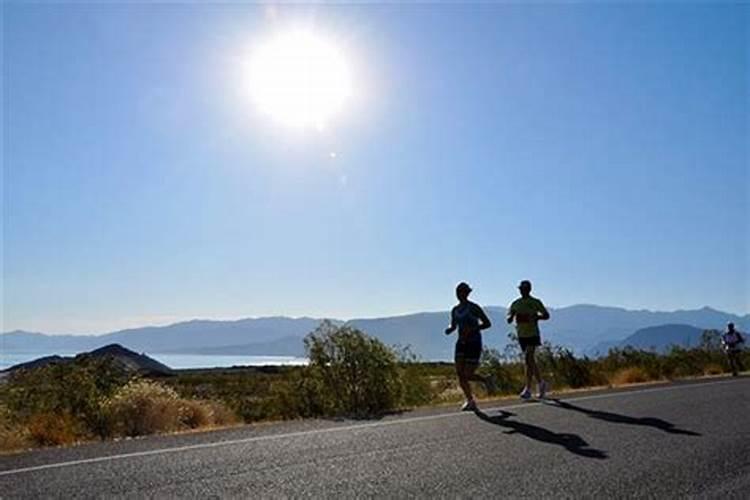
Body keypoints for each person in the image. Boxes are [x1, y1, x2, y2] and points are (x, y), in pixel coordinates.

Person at [445, 282, 495, 411]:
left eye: (462, 291)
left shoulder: (474, 308)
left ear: (467, 293)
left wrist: (473, 328)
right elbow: (453, 325)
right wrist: (450, 329)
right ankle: (470, 400)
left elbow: (487, 323)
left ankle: (485, 380)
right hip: (461, 343)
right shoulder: (455, 310)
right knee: (460, 374)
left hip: (474, 342)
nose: (459, 294)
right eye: (458, 292)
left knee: (467, 374)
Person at [507, 280, 550, 399]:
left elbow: (546, 315)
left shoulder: (535, 302)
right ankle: (541, 383)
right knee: (530, 361)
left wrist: (537, 317)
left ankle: (527, 389)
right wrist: (511, 317)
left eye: (525, 288)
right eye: (521, 288)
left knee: (528, 358)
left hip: (533, 334)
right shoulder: (516, 303)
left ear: (529, 289)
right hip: (521, 335)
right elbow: (509, 315)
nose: (522, 290)